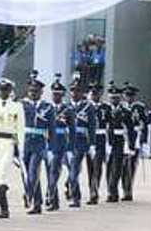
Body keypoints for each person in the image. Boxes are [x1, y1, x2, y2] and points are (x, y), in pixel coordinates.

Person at [0, 78, 25, 219]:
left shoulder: (17, 107)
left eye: (6, 89)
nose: (3, 92)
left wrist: (21, 148)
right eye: (1, 89)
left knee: (3, 173)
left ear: (10, 91)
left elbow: (20, 129)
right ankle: (4, 209)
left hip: (9, 142)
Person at [21, 73, 52, 215]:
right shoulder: (22, 105)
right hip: (25, 142)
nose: (33, 94)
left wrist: (50, 147)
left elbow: (51, 128)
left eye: (36, 91)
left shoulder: (48, 107)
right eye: (31, 91)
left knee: (33, 172)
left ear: (41, 92)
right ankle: (37, 203)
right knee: (27, 174)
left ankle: (28, 195)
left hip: (39, 143)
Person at [66, 74, 95, 209]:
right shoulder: (66, 107)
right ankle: (70, 186)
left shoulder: (88, 107)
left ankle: (75, 198)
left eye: (77, 90)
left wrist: (92, 145)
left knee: (74, 171)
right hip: (65, 143)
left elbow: (92, 127)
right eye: (72, 90)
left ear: (82, 92)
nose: (74, 93)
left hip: (80, 142)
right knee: (69, 170)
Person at [104, 83, 136, 203]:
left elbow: (131, 129)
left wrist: (131, 146)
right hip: (108, 140)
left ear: (120, 98)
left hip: (121, 141)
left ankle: (113, 193)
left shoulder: (126, 112)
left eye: (116, 98)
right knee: (108, 167)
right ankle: (111, 191)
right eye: (112, 97)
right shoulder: (105, 110)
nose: (114, 100)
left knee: (117, 167)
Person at [45, 75, 72, 212]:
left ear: (62, 96)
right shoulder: (47, 108)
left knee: (55, 171)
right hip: (48, 142)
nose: (56, 97)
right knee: (49, 171)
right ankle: (51, 197)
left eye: (58, 95)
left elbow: (71, 128)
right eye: (54, 94)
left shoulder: (67, 110)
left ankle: (52, 198)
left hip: (61, 142)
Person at [87, 82, 108, 203]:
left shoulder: (106, 107)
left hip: (101, 138)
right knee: (90, 167)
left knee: (97, 166)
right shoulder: (87, 107)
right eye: (93, 93)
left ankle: (94, 192)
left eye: (97, 93)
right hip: (89, 138)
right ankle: (92, 189)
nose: (95, 96)